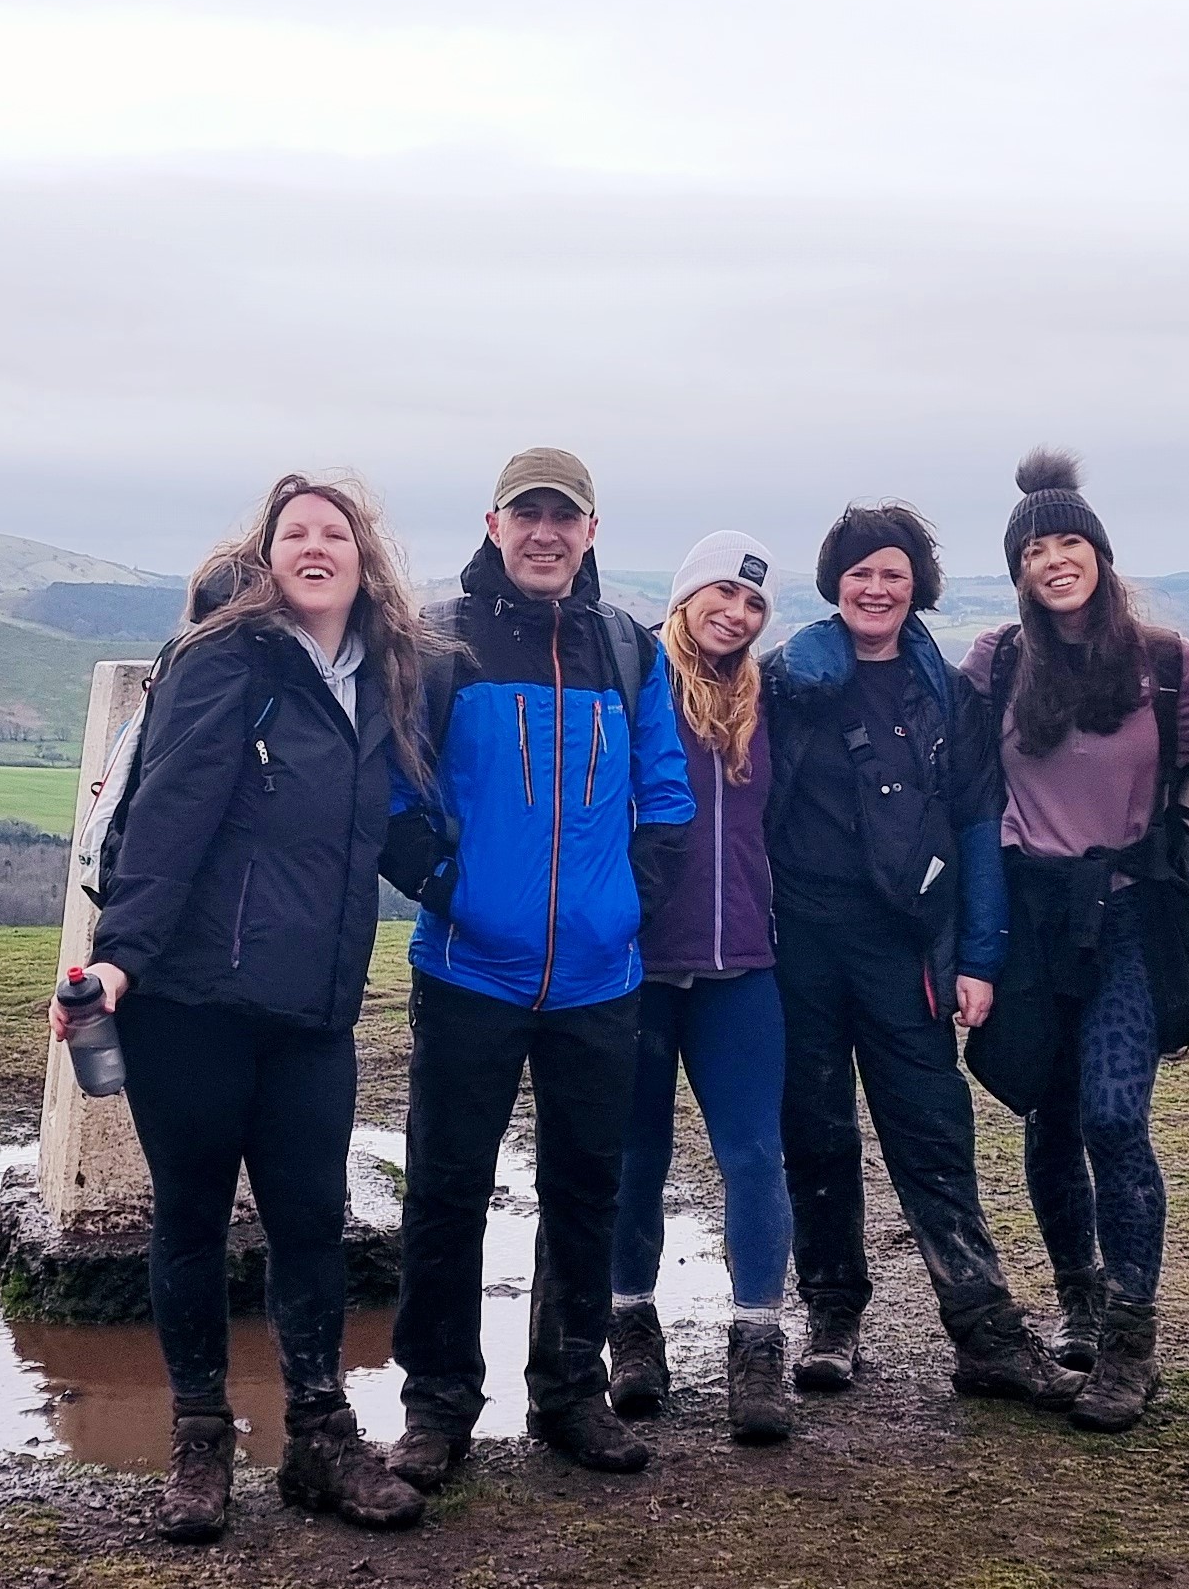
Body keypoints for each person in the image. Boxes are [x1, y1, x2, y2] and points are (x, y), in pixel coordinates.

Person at [52, 472, 432, 1543]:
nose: (314, 547)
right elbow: (168, 814)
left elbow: (391, 833)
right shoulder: (230, 658)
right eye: (293, 534)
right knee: (191, 1220)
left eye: (335, 533)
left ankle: (319, 1439)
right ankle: (200, 1443)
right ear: (267, 558)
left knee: (314, 1220)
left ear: (366, 559)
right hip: (192, 1001)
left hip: (313, 1010)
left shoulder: (382, 677)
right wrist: (119, 958)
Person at [380, 449, 695, 1482]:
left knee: (585, 1188)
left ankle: (569, 1391)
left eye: (565, 517)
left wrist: (623, 908)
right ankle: (436, 1407)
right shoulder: (440, 644)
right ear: (495, 524)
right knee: (445, 1192)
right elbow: (393, 793)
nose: (546, 533)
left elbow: (665, 795)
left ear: (590, 533)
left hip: (600, 980)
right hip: (470, 970)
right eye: (529, 515)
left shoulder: (627, 649)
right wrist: (455, 893)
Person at [761, 501, 1077, 1408]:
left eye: (892, 572)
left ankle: (983, 1330)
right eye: (860, 571)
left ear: (916, 587)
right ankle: (832, 1320)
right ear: (836, 581)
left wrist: (980, 956)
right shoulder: (789, 681)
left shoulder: (949, 693)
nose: (875, 586)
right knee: (812, 1131)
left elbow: (981, 825)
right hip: (801, 944)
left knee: (934, 1133)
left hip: (906, 948)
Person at [961, 450, 1189, 1432]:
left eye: (1068, 541)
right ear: (1020, 572)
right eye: (1034, 550)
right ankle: (1077, 1299)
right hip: (1030, 918)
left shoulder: (1169, 663)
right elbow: (957, 780)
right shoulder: (994, 662)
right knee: (1047, 1107)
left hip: (1127, 917)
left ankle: (1129, 1340)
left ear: (1100, 553)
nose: (1053, 561)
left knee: (1113, 1117)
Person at [607, 531, 796, 1443]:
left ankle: (758, 1343)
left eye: (755, 603)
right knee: (634, 1157)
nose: (737, 613)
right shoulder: (635, 683)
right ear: (685, 598)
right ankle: (630, 1329)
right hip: (637, 967)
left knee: (757, 1157)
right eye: (722, 592)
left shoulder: (770, 707)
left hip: (743, 970)